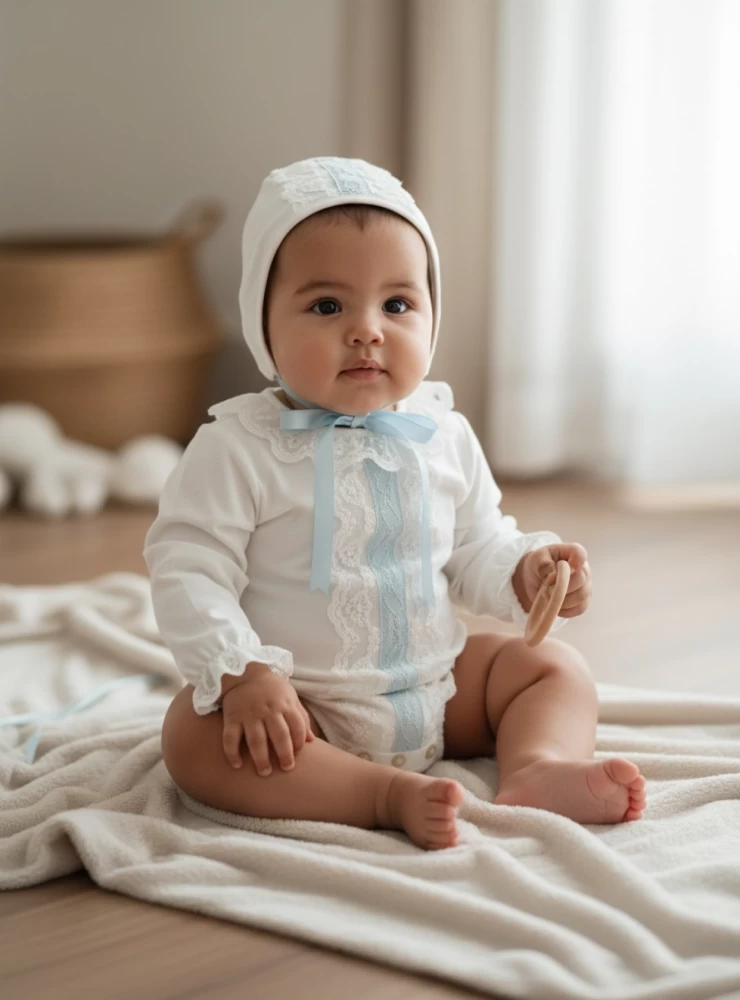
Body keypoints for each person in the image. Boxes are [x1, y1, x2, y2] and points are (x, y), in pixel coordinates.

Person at [145, 157, 646, 850]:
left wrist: (526, 571)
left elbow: (475, 544)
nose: (367, 330)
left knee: (551, 668)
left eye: (398, 305)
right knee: (192, 738)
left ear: (432, 315)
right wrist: (243, 673)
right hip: (301, 709)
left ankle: (539, 768)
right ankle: (377, 794)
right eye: (327, 306)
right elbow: (188, 567)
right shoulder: (237, 447)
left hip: (435, 691)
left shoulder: (442, 433)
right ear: (262, 322)